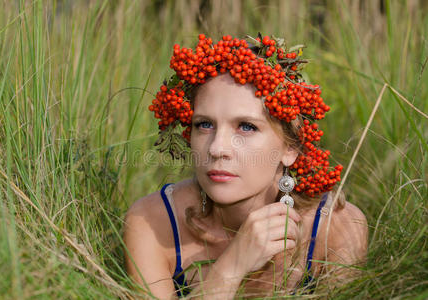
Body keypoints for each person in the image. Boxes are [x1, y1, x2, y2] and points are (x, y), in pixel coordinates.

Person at [123, 34, 368, 299]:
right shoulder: (151, 223)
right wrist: (231, 267)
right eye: (204, 124)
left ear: (291, 149)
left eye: (247, 127)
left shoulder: (336, 229)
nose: (217, 148)